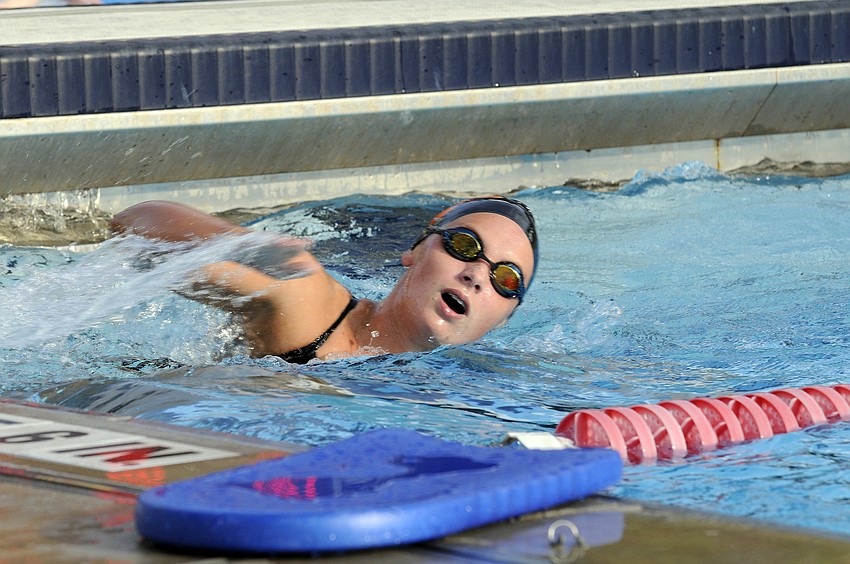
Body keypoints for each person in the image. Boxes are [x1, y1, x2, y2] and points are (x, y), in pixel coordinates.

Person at [110, 196, 538, 363]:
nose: (477, 274)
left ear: (505, 318)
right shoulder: (308, 303)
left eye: (506, 278)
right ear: (414, 251)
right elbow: (131, 226)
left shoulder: (484, 388)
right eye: (464, 246)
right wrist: (235, 244)